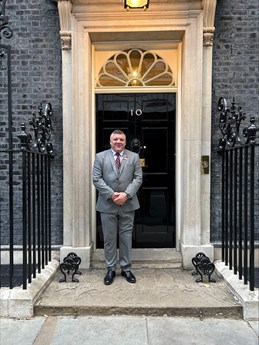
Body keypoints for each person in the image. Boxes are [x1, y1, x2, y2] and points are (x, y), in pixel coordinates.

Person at [92, 130, 143, 285]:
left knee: (126, 238)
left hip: (128, 204)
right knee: (109, 238)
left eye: (121, 139)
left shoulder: (133, 157)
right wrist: (113, 195)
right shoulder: (100, 157)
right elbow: (96, 178)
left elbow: (138, 178)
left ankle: (126, 268)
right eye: (115, 139)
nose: (118, 142)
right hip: (107, 204)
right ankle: (110, 269)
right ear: (110, 141)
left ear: (125, 142)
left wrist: (126, 195)